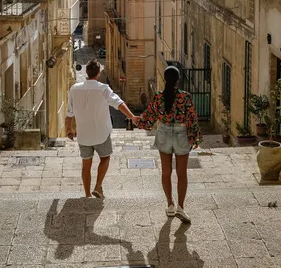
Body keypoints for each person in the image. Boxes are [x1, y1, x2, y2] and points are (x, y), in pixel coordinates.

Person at [136, 65, 202, 223]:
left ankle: (170, 205)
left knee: (166, 172)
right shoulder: (185, 97)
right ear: (178, 80)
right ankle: (181, 206)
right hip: (182, 135)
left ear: (165, 79)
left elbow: (149, 117)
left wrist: (138, 121)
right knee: (181, 173)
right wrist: (195, 138)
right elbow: (192, 117)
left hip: (164, 134)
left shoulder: (159, 97)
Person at [65, 58, 138, 198]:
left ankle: (87, 195)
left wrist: (69, 129)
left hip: (83, 135)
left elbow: (69, 112)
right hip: (101, 134)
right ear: (98, 73)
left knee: (86, 165)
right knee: (105, 158)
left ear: (86, 72)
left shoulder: (74, 89)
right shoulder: (104, 89)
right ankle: (98, 186)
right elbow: (119, 103)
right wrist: (132, 116)